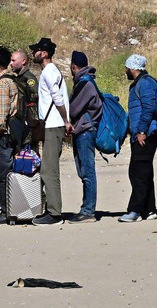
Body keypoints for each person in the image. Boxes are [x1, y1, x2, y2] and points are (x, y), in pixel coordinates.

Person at [31, 37, 70, 226]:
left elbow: (58, 97)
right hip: (52, 124)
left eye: (36, 50)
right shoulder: (50, 71)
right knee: (48, 169)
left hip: (54, 125)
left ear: (44, 53)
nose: (33, 53)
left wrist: (65, 120)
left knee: (49, 170)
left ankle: (55, 214)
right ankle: (51, 210)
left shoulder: (49, 72)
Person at [119, 54, 157, 222]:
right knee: (144, 172)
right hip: (141, 133)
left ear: (133, 68)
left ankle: (135, 210)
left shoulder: (145, 83)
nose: (126, 71)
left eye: (127, 68)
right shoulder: (140, 83)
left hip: (146, 134)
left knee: (138, 173)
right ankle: (149, 210)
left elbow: (149, 107)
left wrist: (142, 130)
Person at [67, 51, 102, 223]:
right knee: (84, 172)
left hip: (86, 132)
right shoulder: (85, 82)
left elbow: (73, 110)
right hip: (84, 131)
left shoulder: (85, 84)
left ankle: (88, 210)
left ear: (74, 66)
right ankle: (86, 207)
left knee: (88, 172)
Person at [0, 47, 20, 224]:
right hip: (14, 133)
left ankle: (6, 212)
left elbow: (1, 116)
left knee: (2, 175)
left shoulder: (2, 83)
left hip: (4, 135)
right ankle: (13, 209)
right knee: (11, 173)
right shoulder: (14, 79)